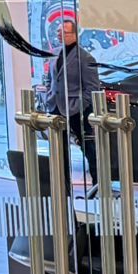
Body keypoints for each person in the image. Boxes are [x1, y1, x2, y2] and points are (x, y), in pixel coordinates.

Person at [41, 18, 106, 190]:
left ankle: (99, 185)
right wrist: (49, 96)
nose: (59, 34)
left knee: (88, 147)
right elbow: (51, 79)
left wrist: (79, 105)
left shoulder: (85, 58)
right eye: (58, 31)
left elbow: (92, 88)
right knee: (58, 149)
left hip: (77, 109)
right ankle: (62, 187)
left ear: (74, 34)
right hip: (55, 107)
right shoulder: (55, 53)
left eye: (64, 31)